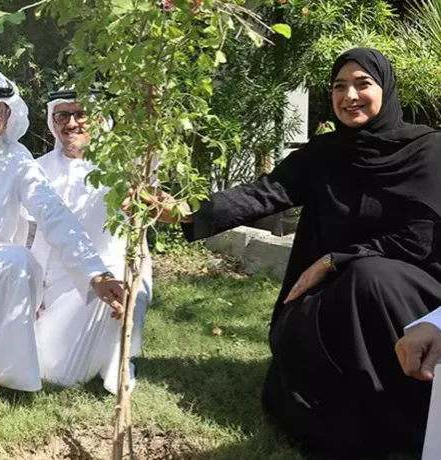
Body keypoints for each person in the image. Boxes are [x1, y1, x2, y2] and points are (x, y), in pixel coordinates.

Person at [132, 48, 441, 457]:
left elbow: (418, 239)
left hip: (414, 294)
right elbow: (265, 193)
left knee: (371, 277)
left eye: (363, 84)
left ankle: (408, 409)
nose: (349, 95)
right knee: (306, 321)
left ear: (386, 89)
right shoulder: (324, 154)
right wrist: (189, 213)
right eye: (339, 86)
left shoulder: (429, 151)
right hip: (341, 290)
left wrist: (335, 260)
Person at [0, 67, 125, 392]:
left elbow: (54, 214)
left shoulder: (16, 161)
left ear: (8, 115)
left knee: (19, 261)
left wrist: (95, 273)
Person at [30, 88, 151, 394]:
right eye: (63, 115)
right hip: (55, 280)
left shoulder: (125, 166)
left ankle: (116, 361)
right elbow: (35, 237)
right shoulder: (37, 169)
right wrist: (34, 293)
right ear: (52, 121)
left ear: (98, 119)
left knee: (114, 291)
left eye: (80, 114)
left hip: (112, 270)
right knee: (54, 372)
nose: (72, 123)